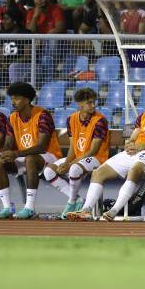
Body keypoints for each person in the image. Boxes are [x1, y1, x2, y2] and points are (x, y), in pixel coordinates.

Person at [67, 78, 145, 222]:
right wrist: (130, 144)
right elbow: (134, 137)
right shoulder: (144, 115)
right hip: (137, 152)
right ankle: (86, 210)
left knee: (134, 169)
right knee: (98, 172)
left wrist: (141, 146)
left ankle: (113, 211)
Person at [0, 82, 62, 219]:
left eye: (17, 98)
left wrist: (17, 153)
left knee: (30, 158)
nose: (13, 102)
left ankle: (29, 207)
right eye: (11, 98)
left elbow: (41, 147)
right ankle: (7, 207)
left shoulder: (42, 115)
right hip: (24, 155)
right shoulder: (12, 117)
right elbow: (9, 142)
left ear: (27, 99)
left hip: (48, 156)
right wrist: (5, 153)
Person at [43, 88, 109, 219]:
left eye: (94, 102)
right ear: (80, 104)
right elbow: (73, 146)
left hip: (96, 158)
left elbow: (93, 150)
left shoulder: (100, 120)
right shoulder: (71, 119)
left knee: (74, 169)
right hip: (80, 157)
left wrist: (70, 164)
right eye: (89, 102)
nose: (93, 105)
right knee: (48, 172)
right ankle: (77, 200)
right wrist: (67, 162)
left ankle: (71, 202)